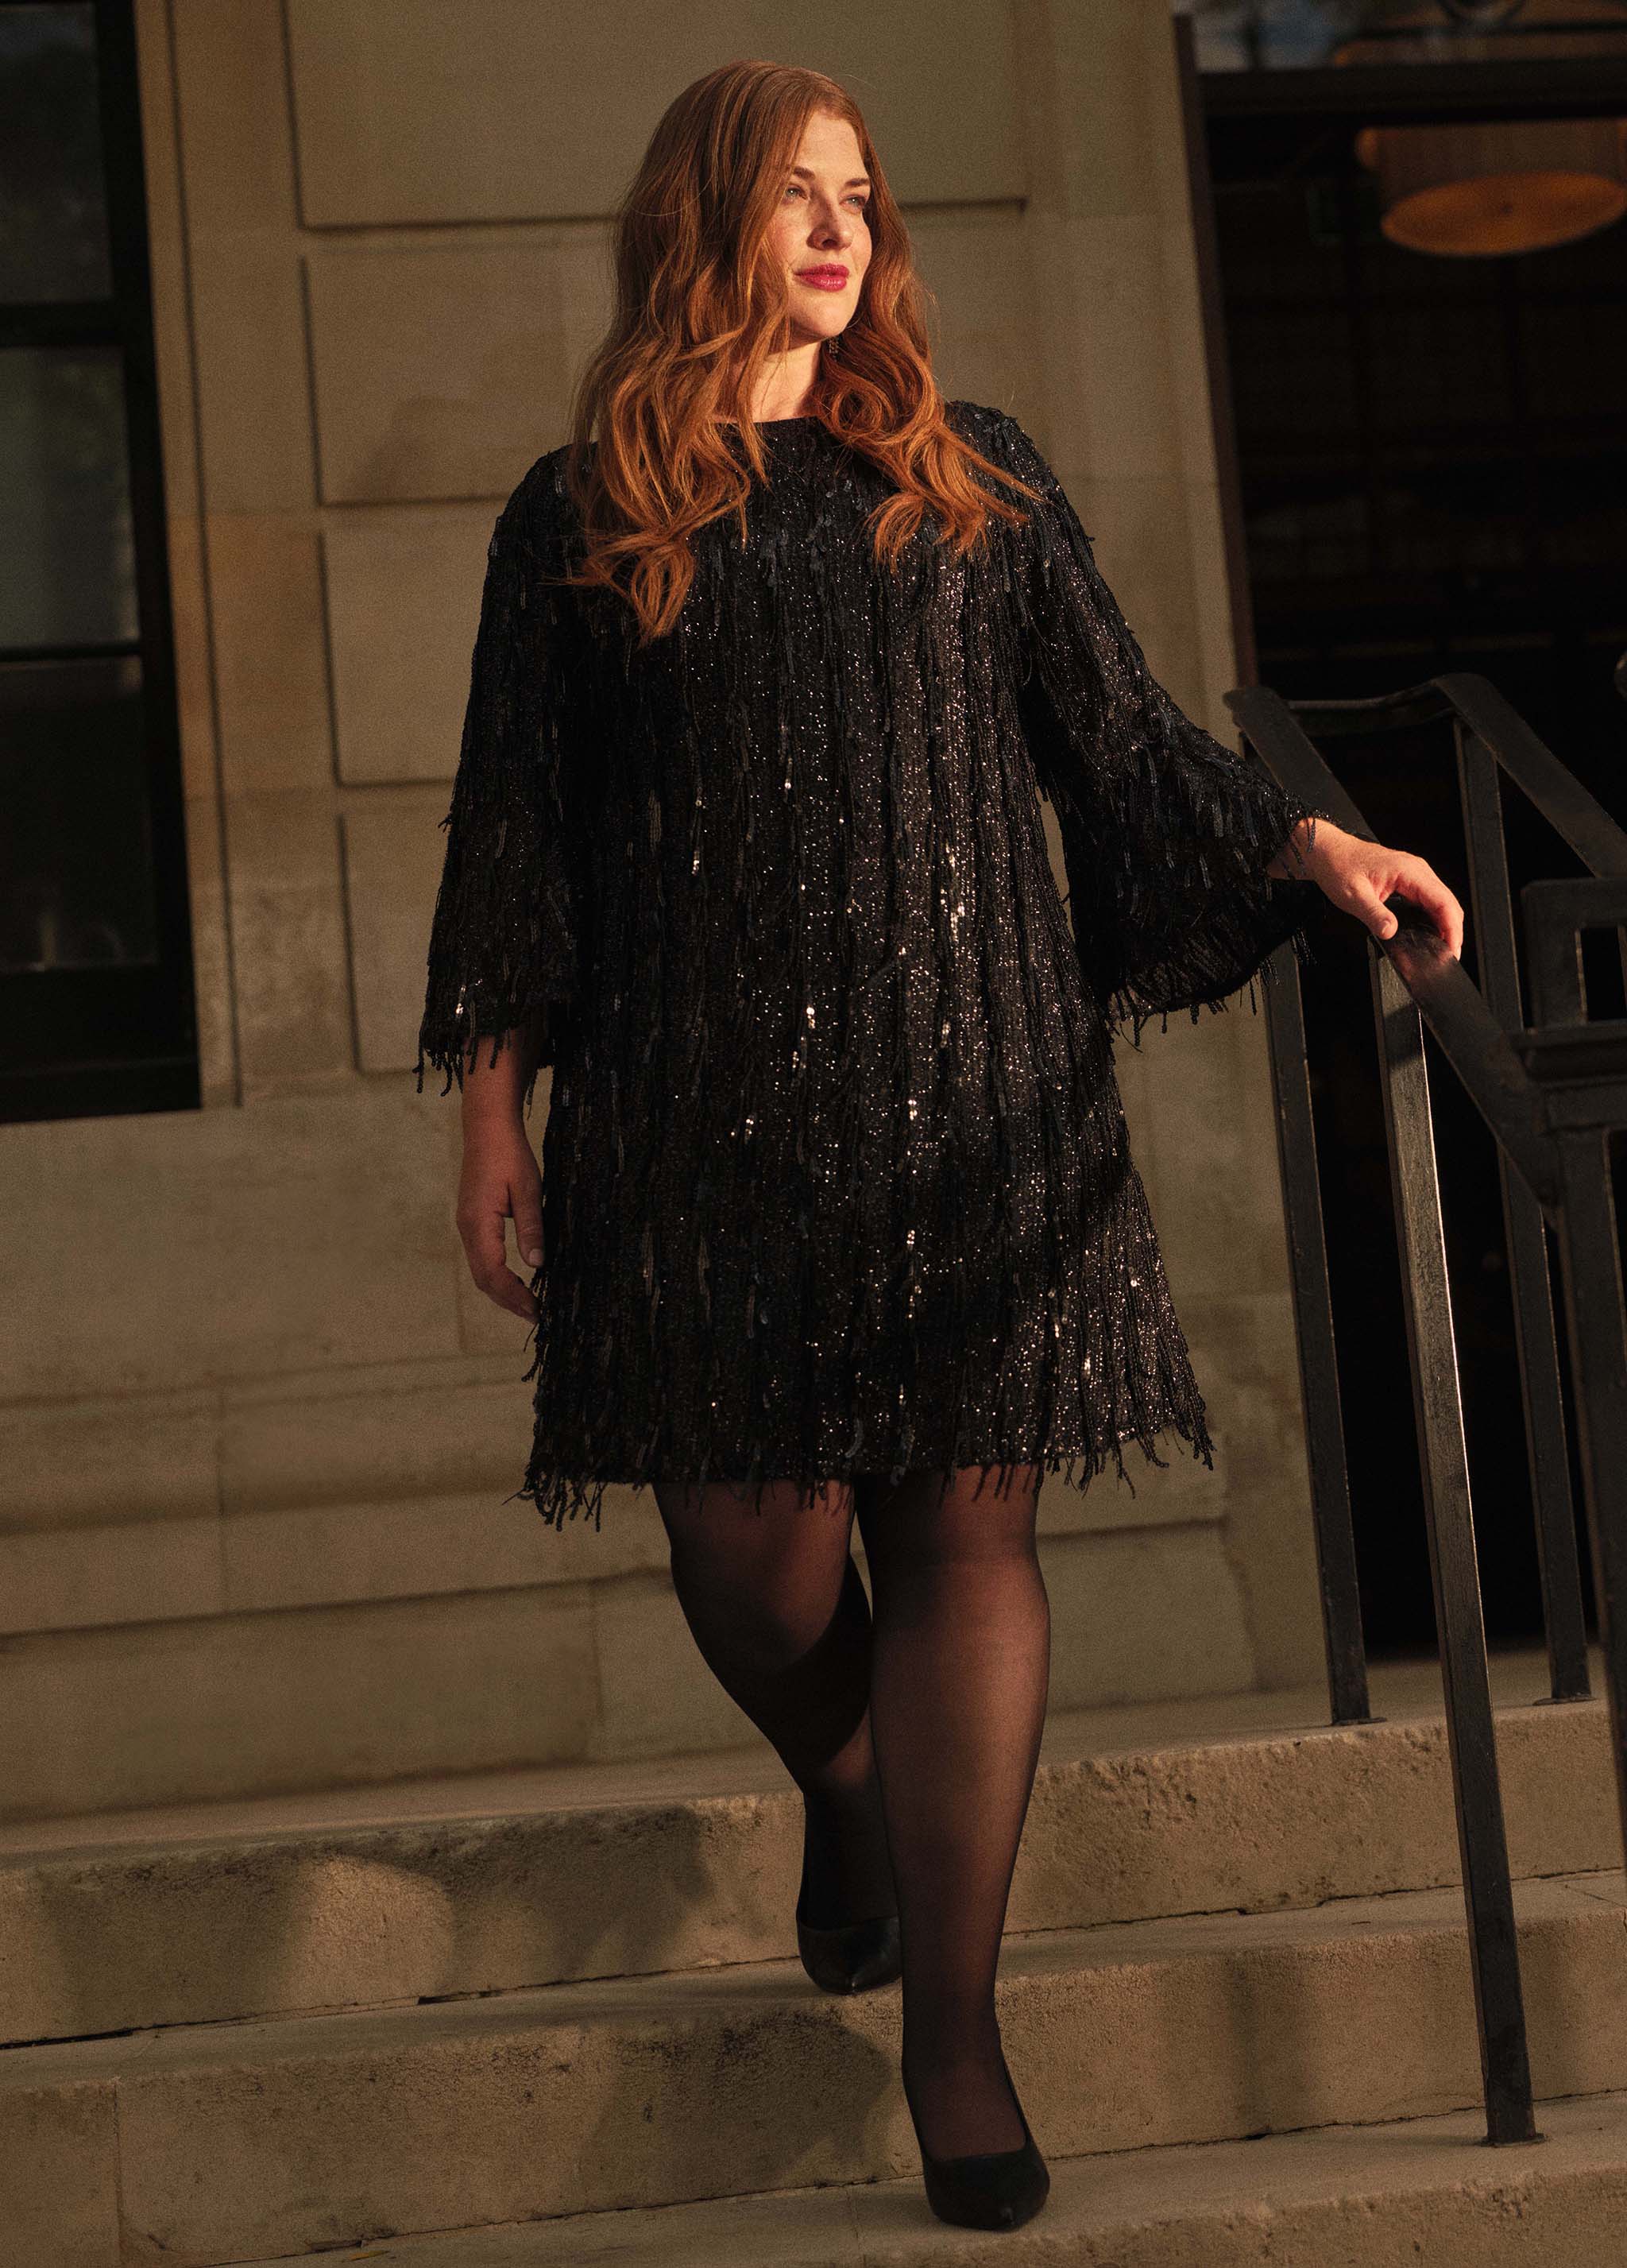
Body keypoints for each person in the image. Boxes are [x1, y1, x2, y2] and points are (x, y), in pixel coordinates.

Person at [415, 60, 1465, 2235]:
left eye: (862, 197)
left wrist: (1305, 838)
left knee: (965, 1541)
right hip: (701, 1120)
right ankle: (852, 1778)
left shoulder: (971, 481)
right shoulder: (583, 512)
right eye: (796, 193)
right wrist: (494, 1104)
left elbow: (1129, 745)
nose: (840, 229)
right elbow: (524, 835)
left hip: (973, 1088)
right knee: (748, 1552)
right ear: (705, 217)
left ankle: (957, 2039)